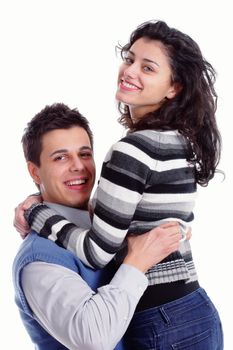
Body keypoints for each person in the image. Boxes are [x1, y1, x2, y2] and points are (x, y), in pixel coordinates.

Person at [15, 20, 224, 349]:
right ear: (34, 170)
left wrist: (38, 212)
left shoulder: (134, 149)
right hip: (193, 309)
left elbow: (97, 253)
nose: (130, 71)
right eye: (129, 59)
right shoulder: (177, 142)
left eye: (148, 67)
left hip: (162, 320)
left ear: (174, 88)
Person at [12, 103, 182, 350]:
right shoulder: (39, 259)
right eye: (60, 157)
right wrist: (137, 262)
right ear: (34, 172)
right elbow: (93, 338)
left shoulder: (103, 223)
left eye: (84, 154)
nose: (78, 166)